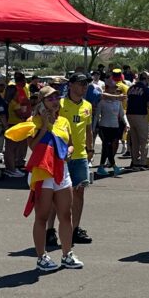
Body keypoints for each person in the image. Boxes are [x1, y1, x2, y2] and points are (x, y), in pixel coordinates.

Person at [27, 86, 83, 271]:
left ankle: (67, 254)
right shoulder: (33, 121)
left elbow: (71, 145)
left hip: (62, 170)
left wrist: (69, 151)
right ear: (41, 102)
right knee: (42, 216)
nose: (54, 101)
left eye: (56, 97)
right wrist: (44, 126)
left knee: (66, 215)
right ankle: (41, 256)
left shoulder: (64, 121)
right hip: (43, 172)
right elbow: (33, 147)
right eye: (50, 98)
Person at [60, 73, 94, 245]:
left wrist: (91, 147)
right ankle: (52, 230)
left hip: (80, 155)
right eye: (81, 83)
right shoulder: (59, 104)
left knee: (79, 192)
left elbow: (88, 129)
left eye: (86, 84)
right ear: (71, 85)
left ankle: (75, 229)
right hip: (62, 155)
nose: (84, 86)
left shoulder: (87, 105)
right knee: (58, 194)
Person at [95, 78, 126, 177]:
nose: (115, 89)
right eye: (113, 87)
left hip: (115, 126)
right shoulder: (102, 101)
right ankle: (114, 166)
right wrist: (93, 127)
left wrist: (127, 123)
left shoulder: (118, 102)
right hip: (104, 126)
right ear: (107, 88)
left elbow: (122, 114)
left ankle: (101, 167)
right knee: (107, 145)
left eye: (115, 87)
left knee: (107, 147)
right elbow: (96, 115)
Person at [4, 72, 32, 178]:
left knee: (11, 148)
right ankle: (11, 168)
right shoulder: (14, 103)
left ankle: (11, 167)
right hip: (14, 124)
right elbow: (20, 113)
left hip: (13, 123)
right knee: (11, 149)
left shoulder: (9, 102)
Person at [124, 72, 149, 170]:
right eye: (148, 79)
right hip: (141, 115)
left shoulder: (131, 88)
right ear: (145, 79)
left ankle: (135, 161)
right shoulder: (147, 90)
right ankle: (143, 162)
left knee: (134, 139)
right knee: (144, 140)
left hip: (130, 114)